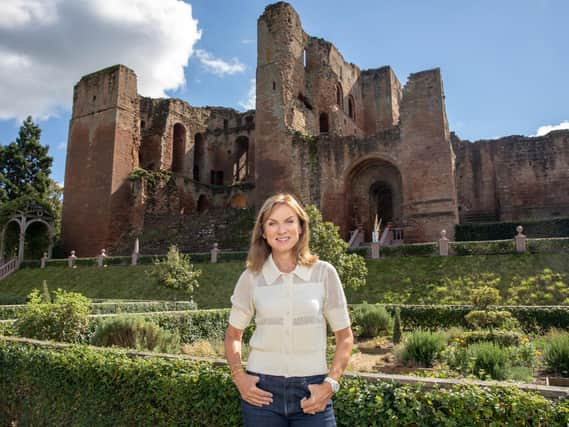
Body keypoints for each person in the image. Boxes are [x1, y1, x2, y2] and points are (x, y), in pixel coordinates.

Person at [225, 193, 353, 426]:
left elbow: (345, 337)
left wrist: (330, 384)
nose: (281, 230)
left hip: (312, 391)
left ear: (301, 227)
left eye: (289, 221)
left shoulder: (324, 273)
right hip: (261, 393)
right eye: (272, 223)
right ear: (263, 232)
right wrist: (239, 377)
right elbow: (234, 335)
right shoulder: (251, 277)